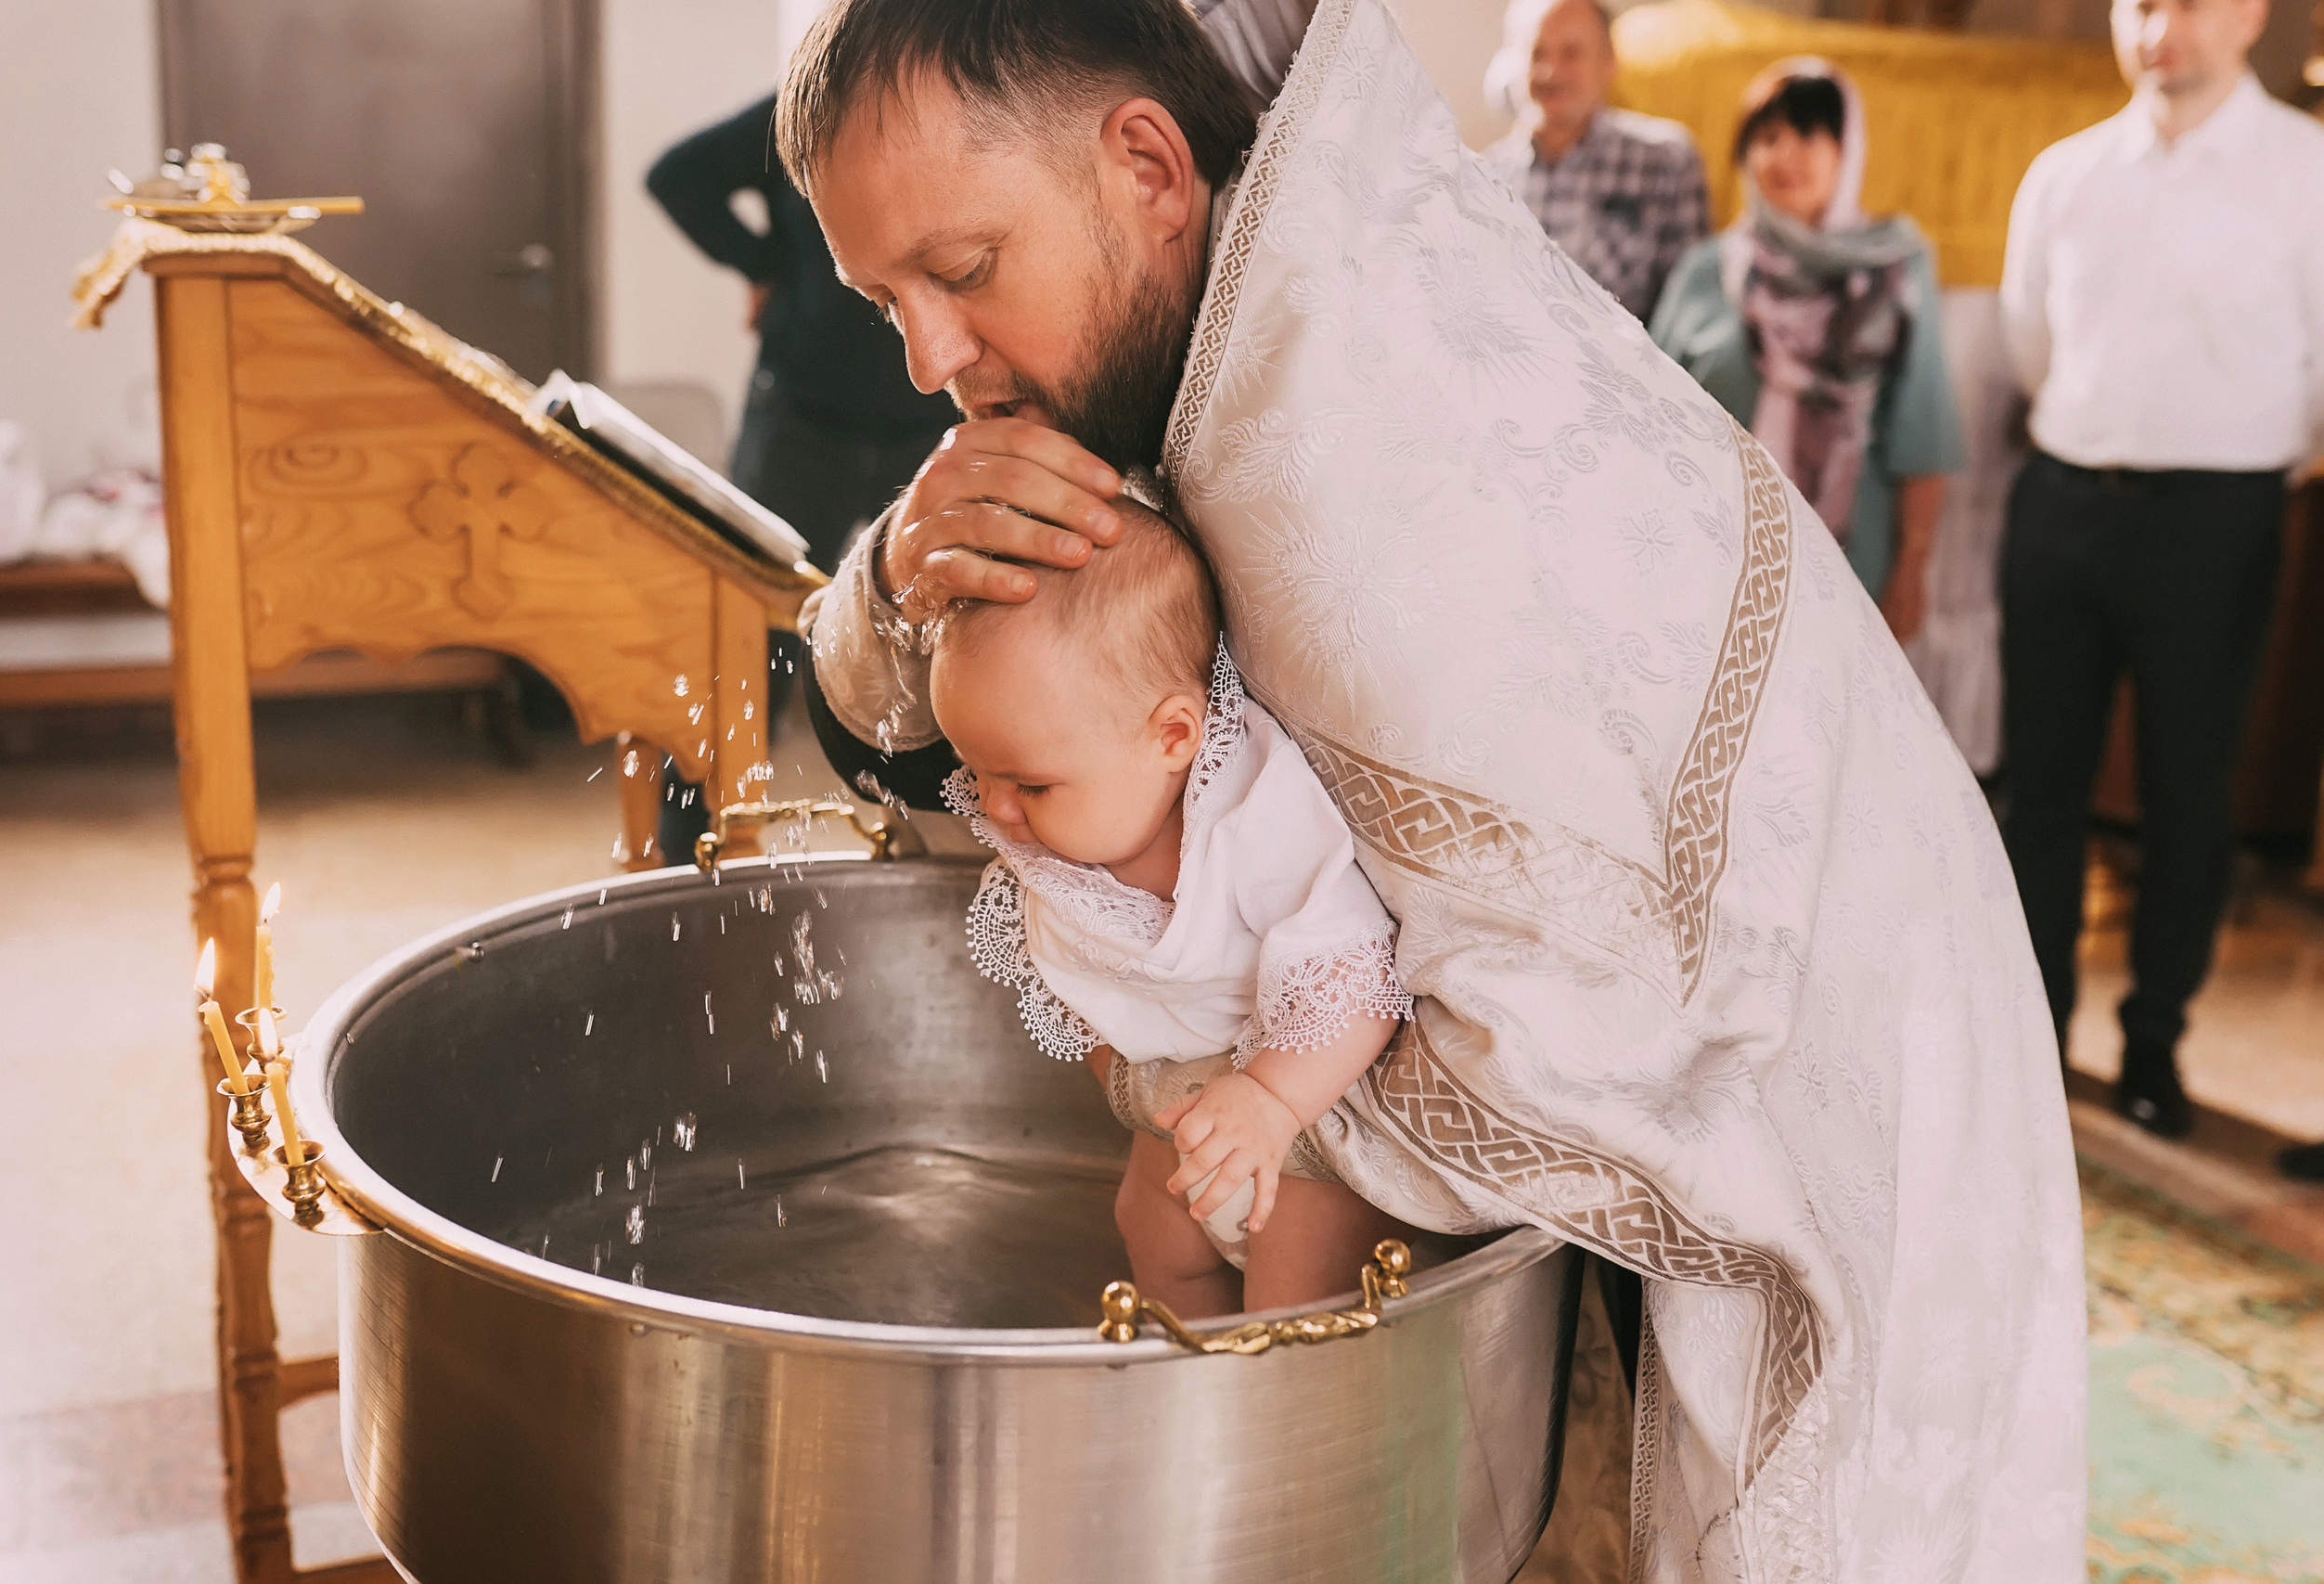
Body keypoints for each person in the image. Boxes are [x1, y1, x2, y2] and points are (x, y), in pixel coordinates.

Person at [785, 0, 2086, 1572]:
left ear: (1147, 163)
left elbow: (1572, 1027)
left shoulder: (1381, 470)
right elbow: (923, 730)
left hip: (1845, 1064)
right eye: (883, 304)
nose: (931, 359)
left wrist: (1200, 1101)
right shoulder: (1198, 321)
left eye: (966, 272)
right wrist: (900, 572)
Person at [930, 490, 1410, 1315]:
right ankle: (1188, 1400)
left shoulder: (1251, 816)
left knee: (1294, 1304)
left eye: (1029, 782)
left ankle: (1269, 1426)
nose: (996, 810)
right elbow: (1074, 979)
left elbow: (1359, 978)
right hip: (1178, 1119)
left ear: (1173, 738)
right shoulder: (1052, 840)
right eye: (978, 771)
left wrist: (1270, 1098)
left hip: (1300, 1130)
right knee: (1150, 1234)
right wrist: (1125, 1078)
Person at [1998, 0, 2324, 1139]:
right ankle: (2029, 1042)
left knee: (2191, 800)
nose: (2158, 24)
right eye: (2139, 1)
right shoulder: (2065, 175)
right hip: (2061, 504)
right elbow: (2028, 344)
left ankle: (2151, 1050)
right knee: (2036, 796)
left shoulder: (2308, 172)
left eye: (2188, 0)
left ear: (2250, 15)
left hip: (2216, 521)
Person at [643, 93, 957, 859]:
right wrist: (767, 262)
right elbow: (676, 177)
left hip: (930, 421)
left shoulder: (972, 94)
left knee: (951, 641)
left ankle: (943, 858)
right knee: (741, 640)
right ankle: (685, 857)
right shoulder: (812, 102)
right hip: (801, 420)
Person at [1650, 62, 1963, 644]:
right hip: (1710, 565)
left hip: (1849, 571)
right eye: (1767, 138)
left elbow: (1924, 435)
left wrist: (1912, 571)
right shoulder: (1706, 271)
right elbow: (1651, 424)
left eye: (1809, 135)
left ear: (1848, 149)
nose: (1785, 155)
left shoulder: (1895, 270)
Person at [1480, 0, 1710, 323]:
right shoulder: (1483, 176)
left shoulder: (1666, 161)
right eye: (1537, 53)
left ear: (1608, 63)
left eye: (1571, 53)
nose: (1550, 72)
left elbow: (1689, 311)